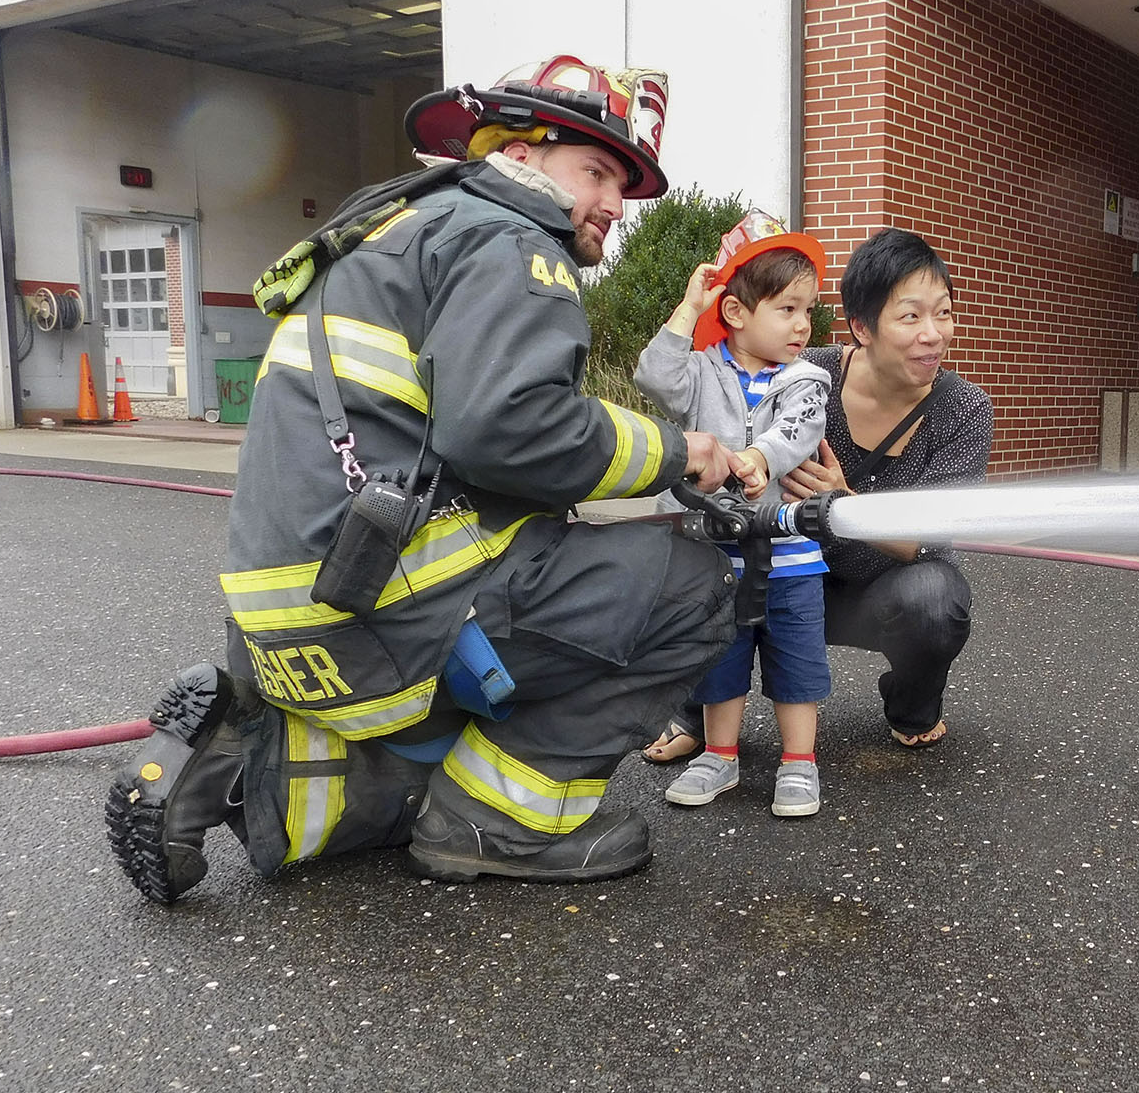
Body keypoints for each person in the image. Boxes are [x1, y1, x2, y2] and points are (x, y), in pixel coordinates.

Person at [105, 56, 741, 903]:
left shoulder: (393, 234)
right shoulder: (512, 240)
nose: (613, 206)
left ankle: (240, 762)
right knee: (694, 584)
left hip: (282, 634)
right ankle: (494, 826)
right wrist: (678, 451)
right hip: (389, 617)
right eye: (596, 171)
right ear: (520, 154)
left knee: (445, 726)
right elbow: (507, 428)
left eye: (621, 185)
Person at [642, 227, 991, 758]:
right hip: (777, 566)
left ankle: (911, 706)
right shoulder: (805, 373)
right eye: (911, 316)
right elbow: (707, 394)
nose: (934, 333)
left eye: (943, 313)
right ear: (862, 328)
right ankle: (695, 712)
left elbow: (934, 541)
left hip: (879, 589)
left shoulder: (964, 409)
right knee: (705, 581)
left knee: (936, 599)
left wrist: (846, 505)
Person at [633, 228, 833, 816]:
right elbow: (654, 378)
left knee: (797, 660)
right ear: (737, 313)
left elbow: (801, 430)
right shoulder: (698, 372)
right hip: (713, 557)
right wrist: (686, 311)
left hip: (792, 556)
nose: (804, 326)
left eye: (809, 311)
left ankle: (799, 762)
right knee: (720, 656)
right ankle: (720, 754)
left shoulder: (805, 380)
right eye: (788, 309)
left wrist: (759, 458)